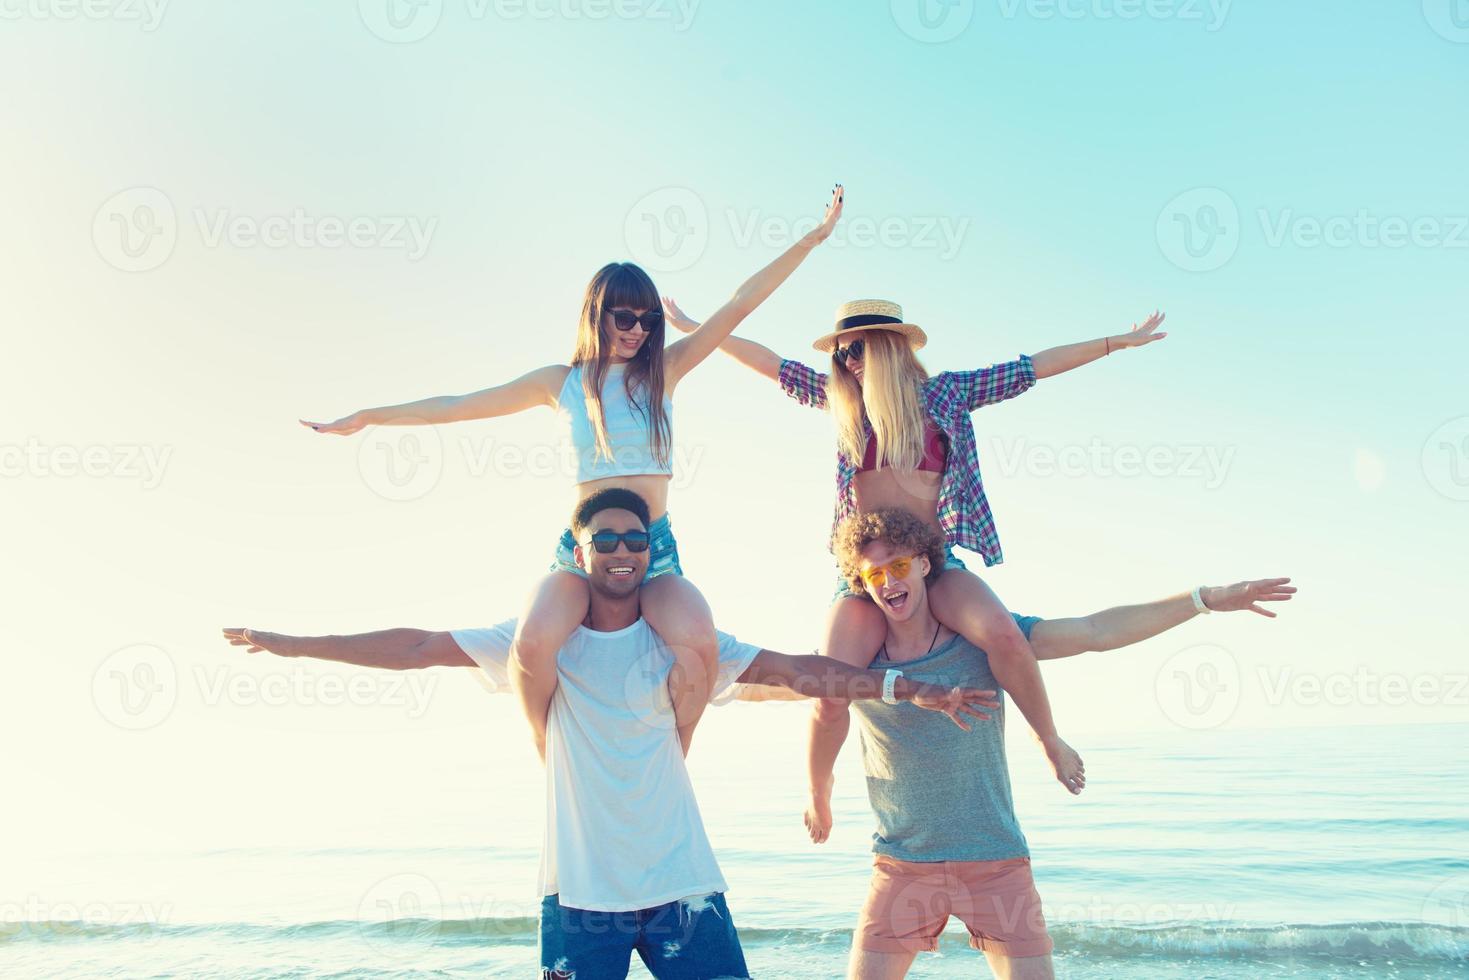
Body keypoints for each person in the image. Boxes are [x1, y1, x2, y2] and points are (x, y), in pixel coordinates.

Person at [230, 488, 997, 979]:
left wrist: (909, 688)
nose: (623, 550)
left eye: (635, 539)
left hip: (683, 894)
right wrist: (298, 644)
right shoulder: (535, 642)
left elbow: (805, 670)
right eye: (606, 539)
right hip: (580, 899)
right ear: (580, 550)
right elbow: (417, 646)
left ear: (648, 551)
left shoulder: (686, 644)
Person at [300, 185, 845, 757]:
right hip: (581, 549)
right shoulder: (560, 384)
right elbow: (458, 405)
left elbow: (740, 301)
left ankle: (676, 755)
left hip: (650, 548)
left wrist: (814, 236)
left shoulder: (667, 372)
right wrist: (371, 418)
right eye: (625, 317)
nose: (637, 329)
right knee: (532, 641)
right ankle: (547, 749)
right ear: (598, 315)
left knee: (698, 640)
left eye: (647, 320)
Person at [662, 295, 1168, 793]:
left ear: (888, 347)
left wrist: (1117, 343)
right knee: (831, 691)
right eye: (839, 354)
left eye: (855, 350)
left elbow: (1031, 369)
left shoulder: (945, 395)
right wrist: (694, 325)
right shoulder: (842, 403)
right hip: (863, 575)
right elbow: (769, 363)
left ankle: (1049, 740)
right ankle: (819, 789)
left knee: (1006, 635)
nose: (846, 363)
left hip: (933, 561)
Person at [811, 508, 1294, 979]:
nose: (889, 582)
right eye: (875, 574)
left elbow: (1094, 631)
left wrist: (1203, 599)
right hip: (901, 866)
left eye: (899, 566)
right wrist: (819, 795)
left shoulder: (983, 642)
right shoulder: (864, 667)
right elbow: (810, 699)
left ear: (924, 564)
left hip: (995, 864)